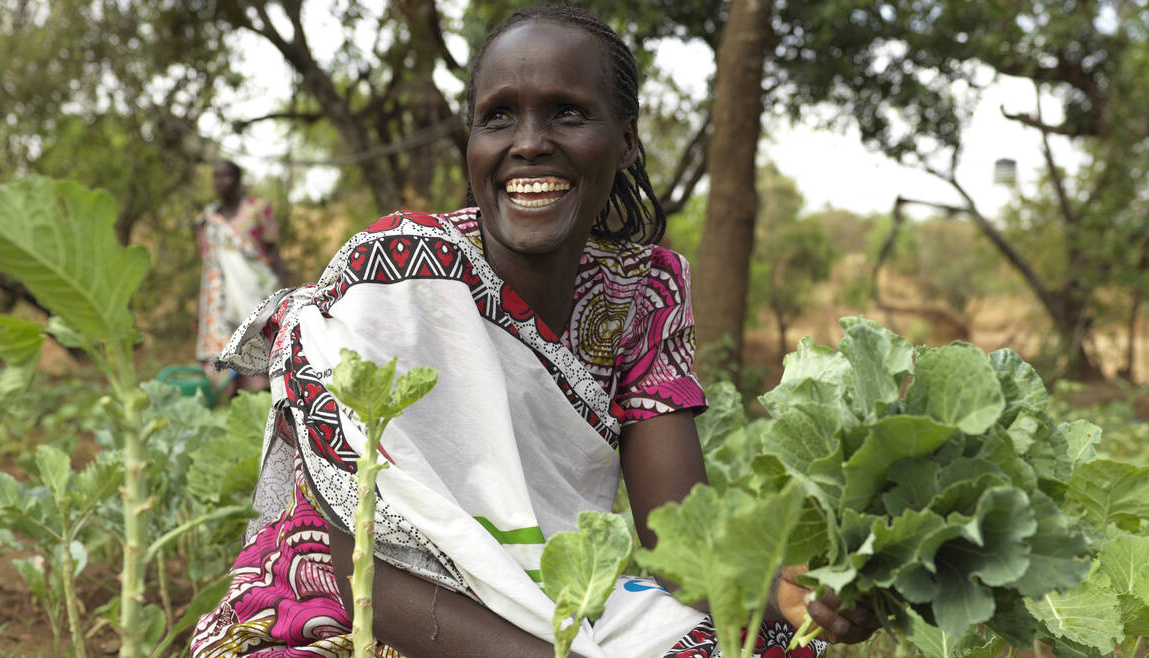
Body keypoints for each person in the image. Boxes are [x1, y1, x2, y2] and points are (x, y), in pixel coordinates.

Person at [191, 7, 877, 657]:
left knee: (767, 638)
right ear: (473, 146)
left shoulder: (645, 294)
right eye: (497, 119)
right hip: (355, 605)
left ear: (627, 138)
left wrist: (782, 593)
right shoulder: (398, 273)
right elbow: (364, 561)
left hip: (545, 598)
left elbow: (676, 544)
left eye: (568, 113)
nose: (528, 144)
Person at [194, 160, 282, 391]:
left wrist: (283, 293)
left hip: (255, 297)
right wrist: (199, 308)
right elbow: (209, 267)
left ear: (238, 179)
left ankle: (262, 411)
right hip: (220, 304)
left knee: (259, 361)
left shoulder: (257, 209)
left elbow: (272, 253)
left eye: (226, 176)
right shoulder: (208, 221)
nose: (221, 182)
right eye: (216, 176)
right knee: (224, 367)